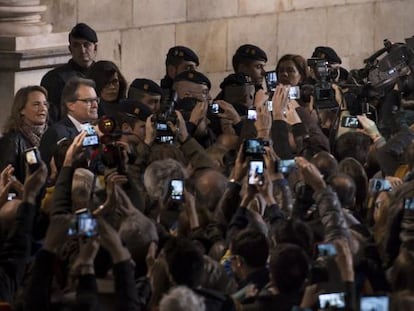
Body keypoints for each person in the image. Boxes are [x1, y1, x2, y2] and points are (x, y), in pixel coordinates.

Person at [41, 23, 98, 123]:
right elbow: (52, 117)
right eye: (76, 45)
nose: (82, 50)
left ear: (95, 48)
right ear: (70, 49)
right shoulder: (54, 79)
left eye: (86, 45)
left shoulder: (104, 74)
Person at [39, 77, 99, 169]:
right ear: (71, 105)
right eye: (89, 101)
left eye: (96, 100)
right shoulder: (56, 133)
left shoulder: (94, 129)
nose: (95, 105)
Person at [0, 86, 49, 183]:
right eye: (36, 104)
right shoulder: (11, 141)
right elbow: (7, 178)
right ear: (22, 110)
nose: (43, 108)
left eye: (45, 104)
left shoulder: (52, 135)